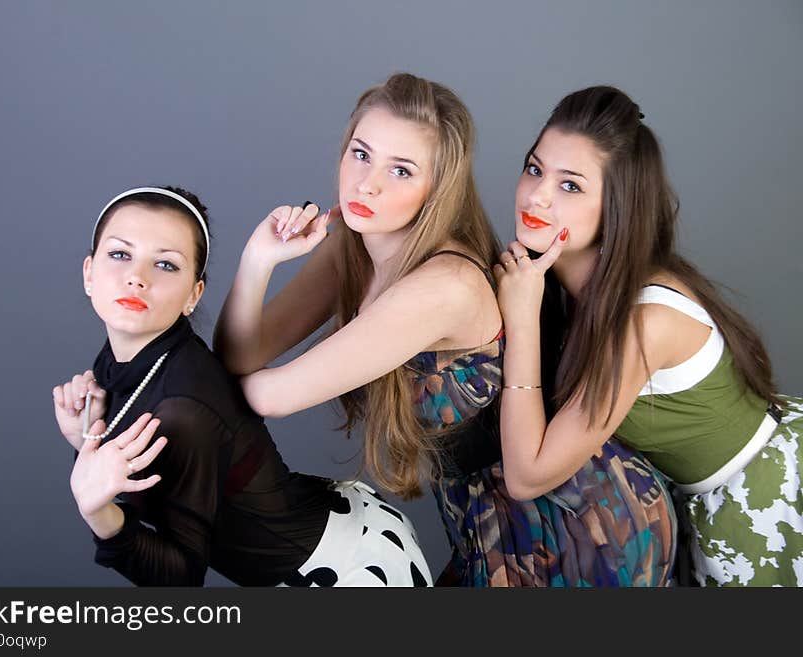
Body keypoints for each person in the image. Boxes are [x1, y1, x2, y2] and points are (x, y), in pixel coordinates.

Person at [215, 73, 676, 586]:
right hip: (481, 518)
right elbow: (240, 356)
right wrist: (258, 260)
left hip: (578, 525)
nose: (368, 183)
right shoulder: (352, 243)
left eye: (402, 170)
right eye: (361, 154)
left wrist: (187, 385)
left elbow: (271, 396)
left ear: (438, 186)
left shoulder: (446, 285)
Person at [494, 85, 803, 586]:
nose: (538, 196)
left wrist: (523, 318)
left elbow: (528, 475)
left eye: (570, 186)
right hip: (711, 502)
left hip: (772, 496)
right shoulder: (570, 289)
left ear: (616, 204)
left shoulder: (643, 321)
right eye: (534, 169)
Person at [52, 185, 432, 587]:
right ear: (89, 273)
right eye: (120, 254)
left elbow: (179, 576)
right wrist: (88, 440)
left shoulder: (183, 407)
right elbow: (157, 486)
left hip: (342, 571)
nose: (136, 278)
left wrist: (98, 513)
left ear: (192, 296)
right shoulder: (124, 359)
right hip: (324, 534)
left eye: (165, 265)